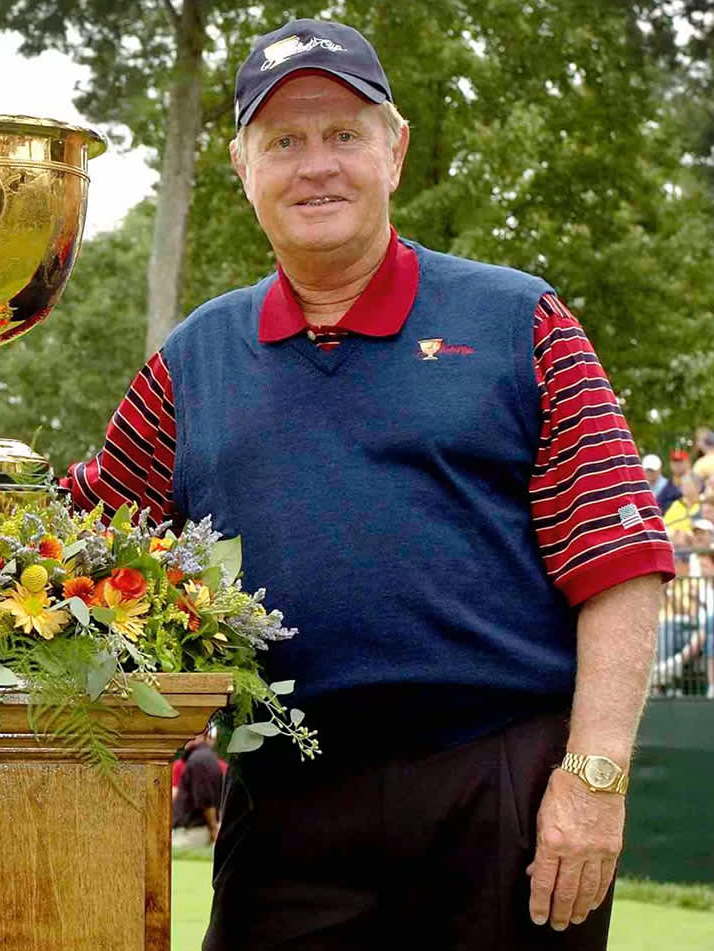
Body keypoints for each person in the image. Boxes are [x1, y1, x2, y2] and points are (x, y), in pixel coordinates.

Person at [63, 18, 673, 950]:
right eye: (284, 141)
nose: (317, 166)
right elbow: (88, 542)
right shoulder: (193, 361)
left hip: (499, 795)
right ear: (243, 169)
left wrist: (594, 779)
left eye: (344, 133)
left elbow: (620, 563)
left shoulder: (521, 321)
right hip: (284, 806)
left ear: (396, 150)